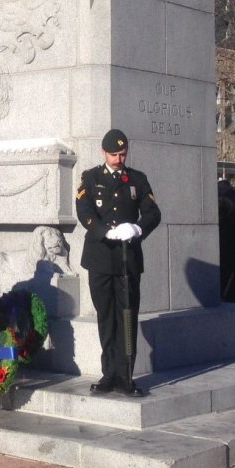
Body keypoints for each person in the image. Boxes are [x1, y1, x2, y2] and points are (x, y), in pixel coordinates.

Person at [75, 129, 162, 396]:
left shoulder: (137, 179)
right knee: (106, 317)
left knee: (127, 317)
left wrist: (137, 229)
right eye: (113, 154)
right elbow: (84, 211)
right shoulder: (90, 178)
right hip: (100, 257)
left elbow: (153, 213)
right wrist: (104, 231)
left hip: (127, 260)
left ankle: (126, 376)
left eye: (122, 154)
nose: (118, 158)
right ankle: (108, 374)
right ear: (104, 153)